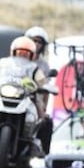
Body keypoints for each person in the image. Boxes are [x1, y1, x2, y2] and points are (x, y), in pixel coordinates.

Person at [0, 36, 49, 159]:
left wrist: (44, 86)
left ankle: (38, 144)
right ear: (13, 51)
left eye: (25, 53)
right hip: (3, 93)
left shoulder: (34, 68)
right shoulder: (4, 62)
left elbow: (42, 81)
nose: (22, 55)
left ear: (32, 55)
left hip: (25, 97)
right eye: (20, 52)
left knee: (43, 117)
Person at [25, 26, 54, 154]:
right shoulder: (17, 58)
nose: (36, 44)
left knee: (46, 121)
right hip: (13, 93)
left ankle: (41, 151)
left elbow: (45, 89)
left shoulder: (44, 65)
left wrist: (44, 108)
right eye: (34, 40)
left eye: (39, 42)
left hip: (33, 98)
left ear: (43, 46)